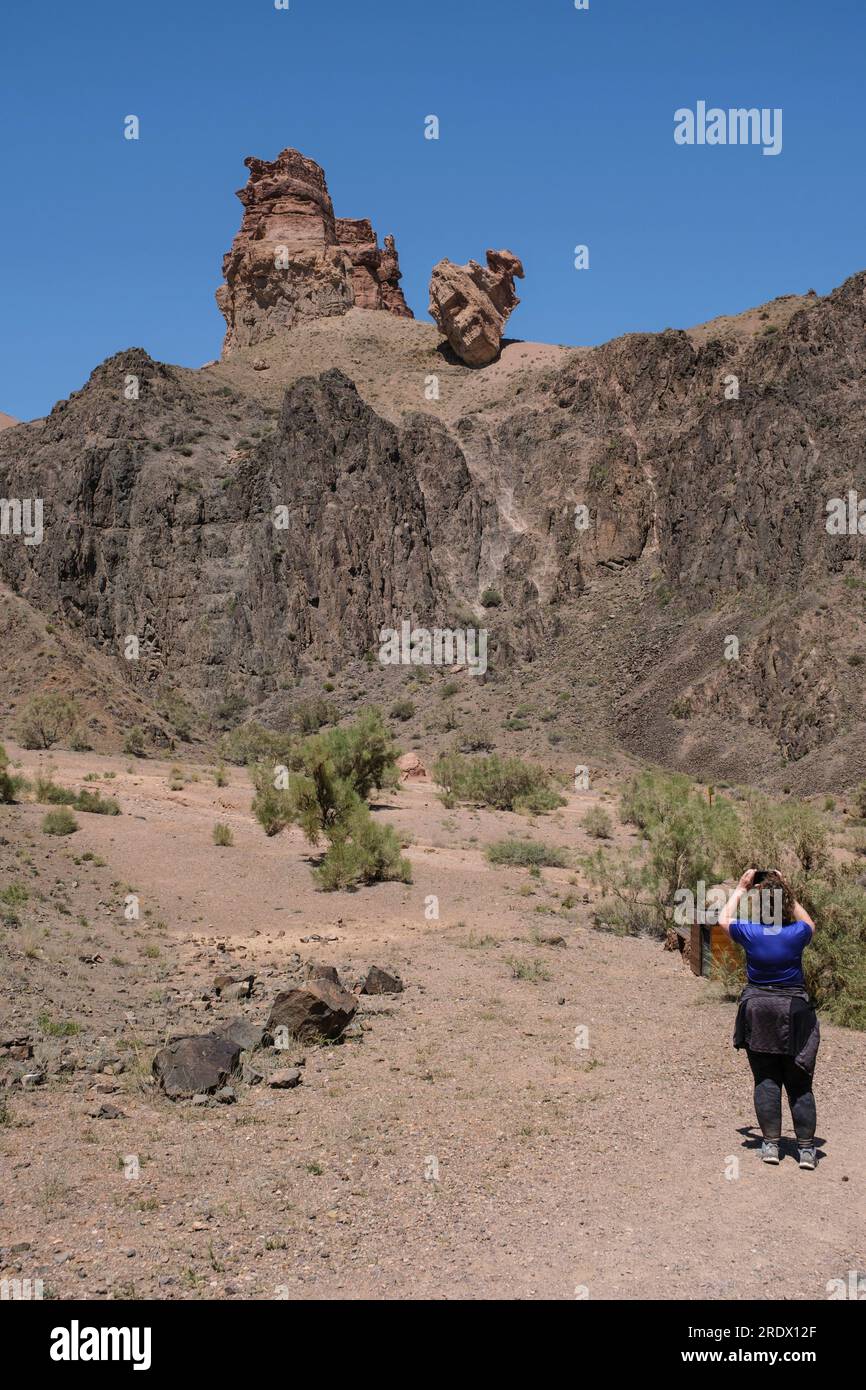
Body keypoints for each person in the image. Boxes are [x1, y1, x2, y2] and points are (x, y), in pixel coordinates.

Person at [718, 868, 819, 1169]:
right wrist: (787, 890)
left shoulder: (751, 932)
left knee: (766, 1078)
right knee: (799, 1082)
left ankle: (771, 1146)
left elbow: (723, 920)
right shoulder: (796, 934)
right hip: (794, 1010)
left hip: (758, 1008)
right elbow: (809, 923)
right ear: (786, 906)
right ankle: (806, 1151)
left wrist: (741, 888)